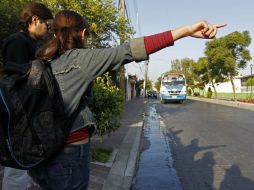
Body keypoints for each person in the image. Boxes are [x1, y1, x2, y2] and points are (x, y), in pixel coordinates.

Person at [28, 10, 226, 190]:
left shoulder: (42, 59)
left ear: (55, 34)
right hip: (69, 155)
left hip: (42, 154)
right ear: (82, 33)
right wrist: (185, 31)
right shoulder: (80, 59)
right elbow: (129, 50)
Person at [1, 2, 53, 190]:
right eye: (48, 24)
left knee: (26, 169)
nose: (49, 29)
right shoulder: (18, 42)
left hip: (29, 116)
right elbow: (14, 84)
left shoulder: (31, 43)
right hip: (19, 117)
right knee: (17, 171)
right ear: (34, 19)